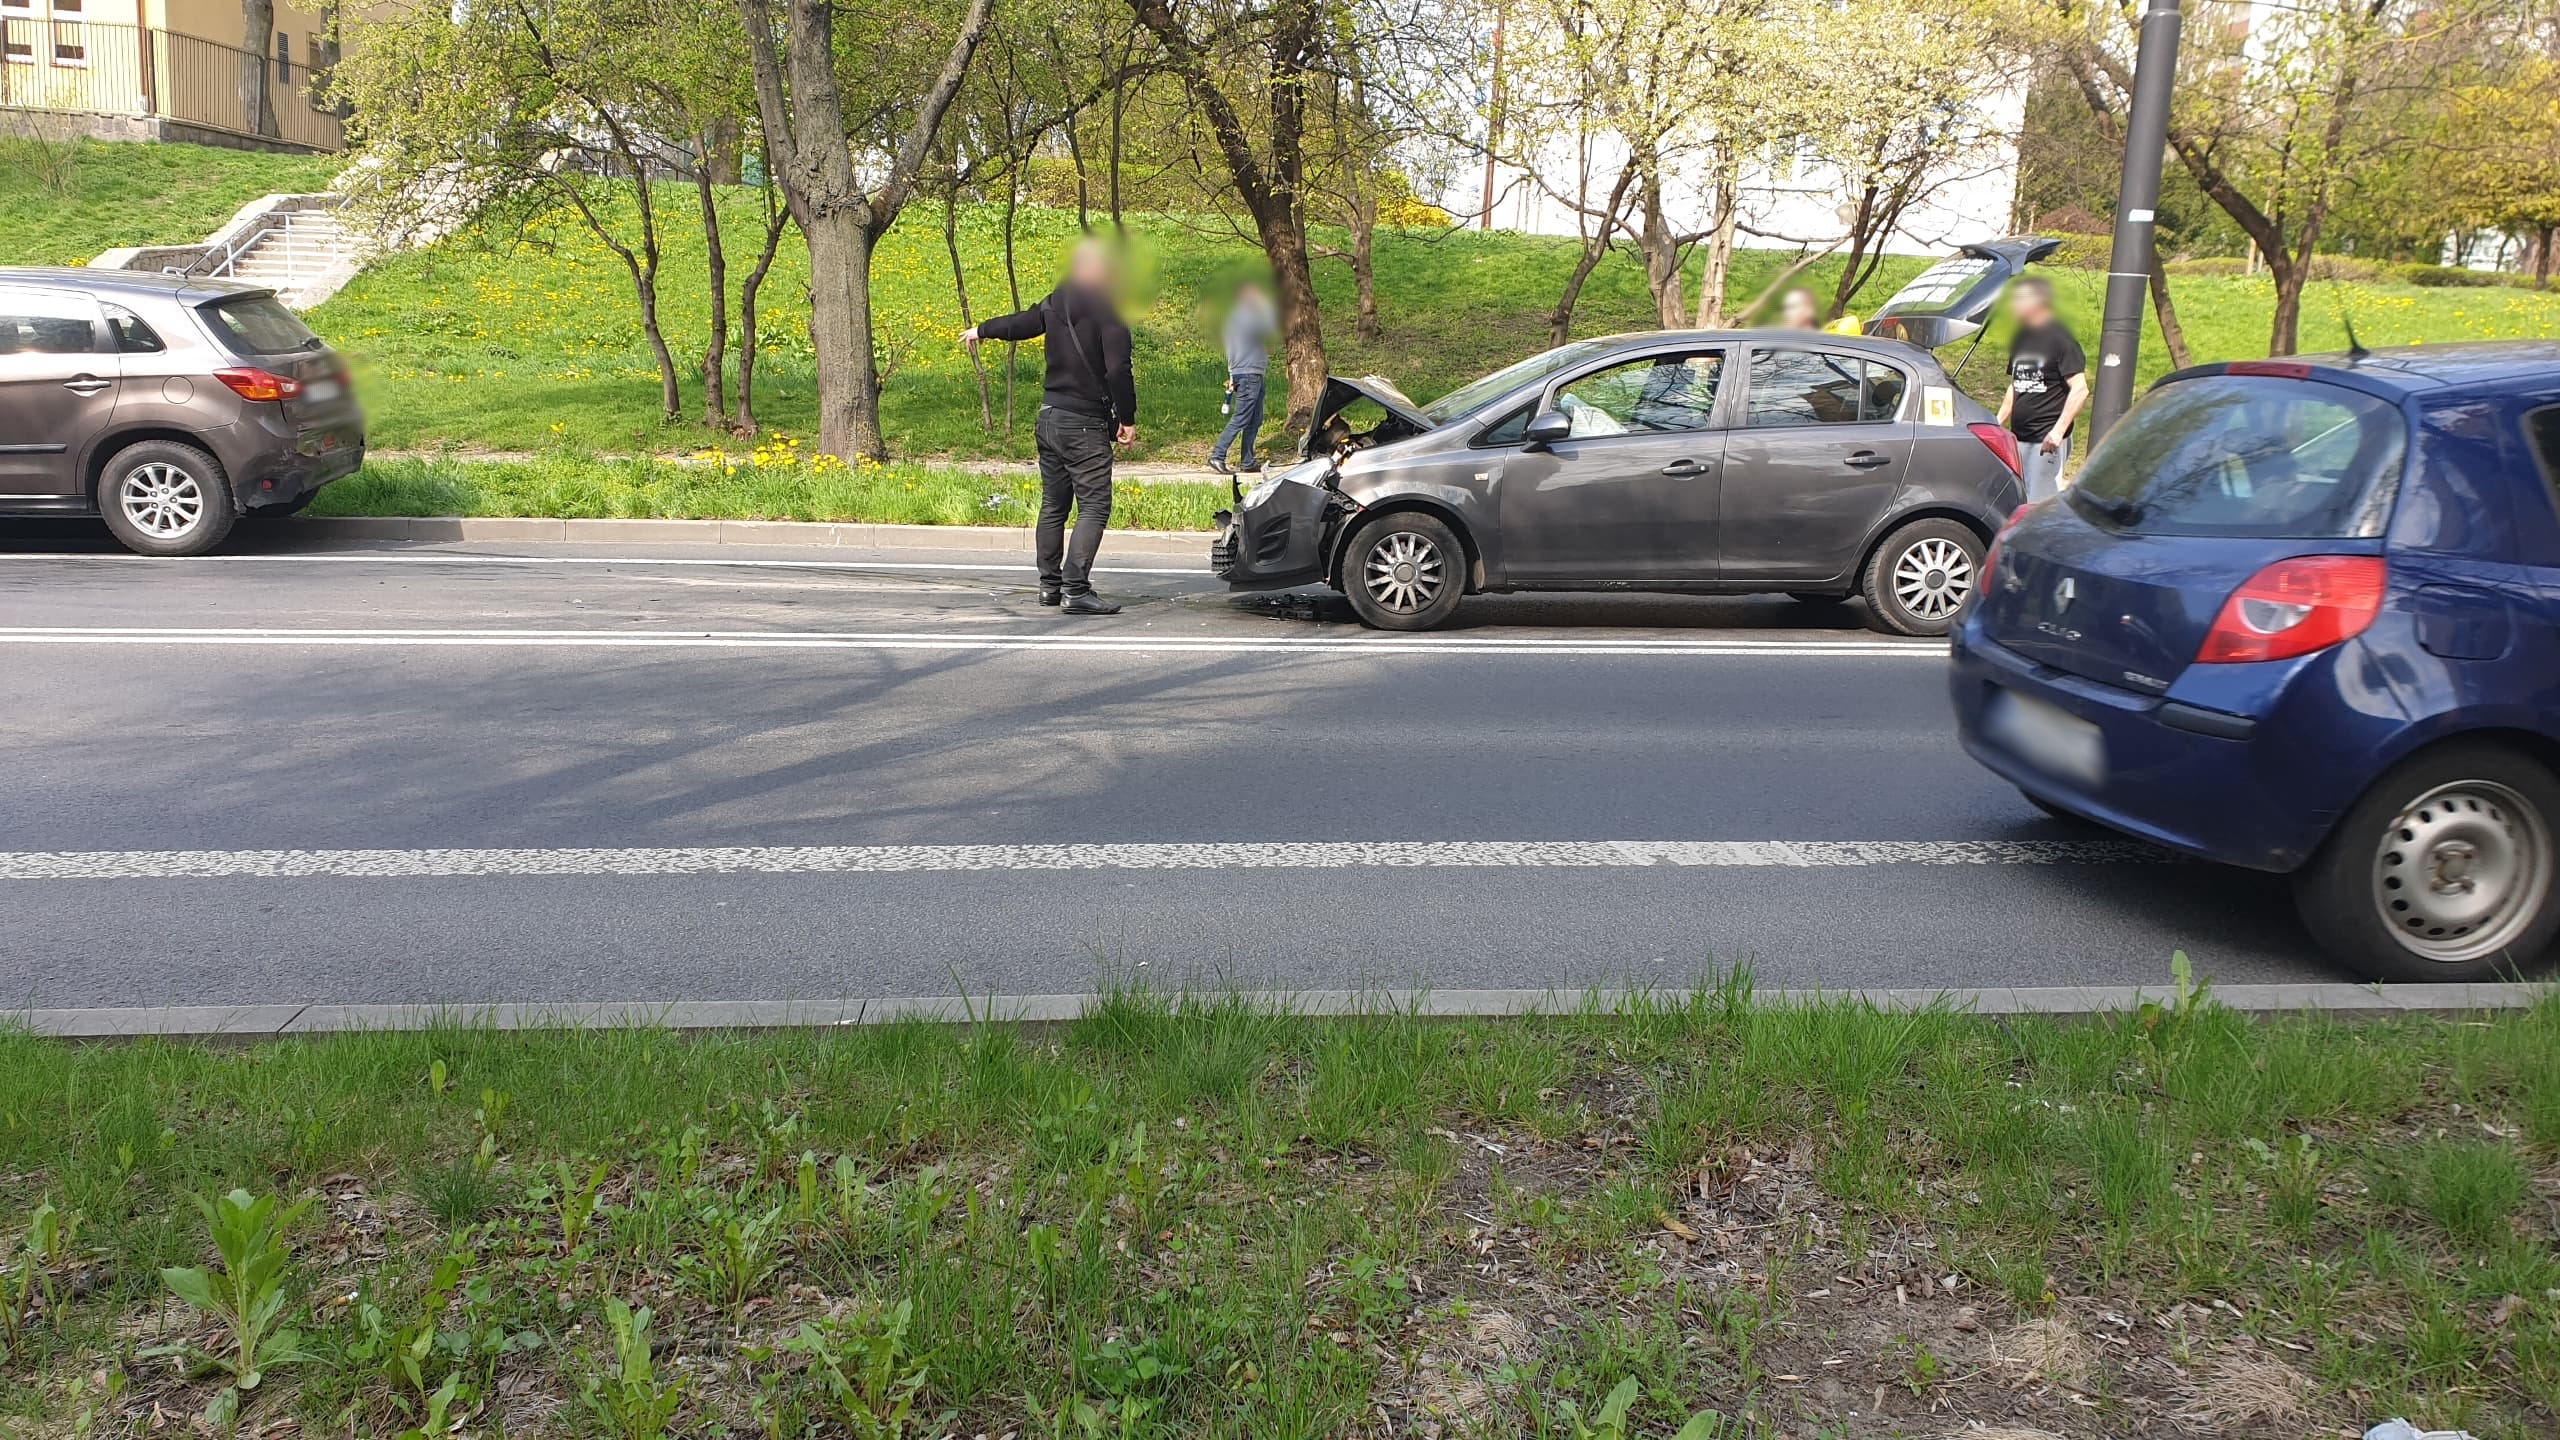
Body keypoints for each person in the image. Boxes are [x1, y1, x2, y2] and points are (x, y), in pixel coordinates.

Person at [962, 240, 1137, 615]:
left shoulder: (1057, 301)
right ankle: (1076, 589)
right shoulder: (1109, 311)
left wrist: (982, 329)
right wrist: (1127, 419)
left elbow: (1022, 323)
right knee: (1094, 505)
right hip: (1084, 425)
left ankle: (1049, 586)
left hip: (1049, 417)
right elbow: (1118, 369)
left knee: (1054, 504)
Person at [1997, 276, 2089, 503]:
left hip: (2046, 438)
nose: (2013, 305)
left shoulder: (2061, 339)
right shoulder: (2021, 338)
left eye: (2019, 299)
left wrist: (2058, 432)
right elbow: (2016, 385)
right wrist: (1996, 422)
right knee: (2022, 499)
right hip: (2019, 436)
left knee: (2042, 503)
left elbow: (2080, 389)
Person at [1210, 280, 1279, 475]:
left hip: (1247, 372)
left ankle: (1247, 461)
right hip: (1249, 374)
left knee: (1254, 419)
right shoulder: (1246, 317)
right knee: (1241, 417)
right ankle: (1218, 455)